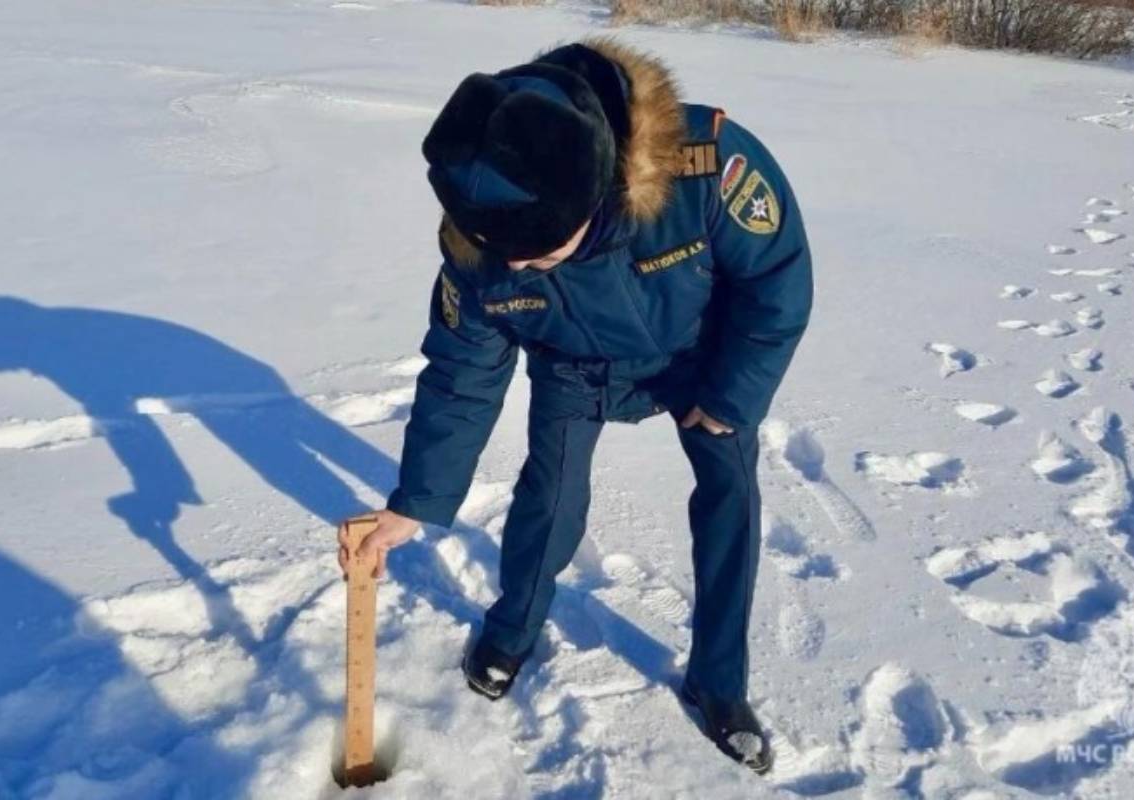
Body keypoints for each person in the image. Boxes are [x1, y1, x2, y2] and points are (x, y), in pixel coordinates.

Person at [338, 36, 812, 774]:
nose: (516, 265)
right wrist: (415, 501)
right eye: (504, 252)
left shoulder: (703, 166)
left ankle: (720, 685)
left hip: (700, 356)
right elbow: (462, 373)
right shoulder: (480, 244)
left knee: (730, 496)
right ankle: (510, 633)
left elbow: (777, 279)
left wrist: (731, 396)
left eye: (539, 250)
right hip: (575, 366)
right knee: (548, 498)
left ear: (595, 193)